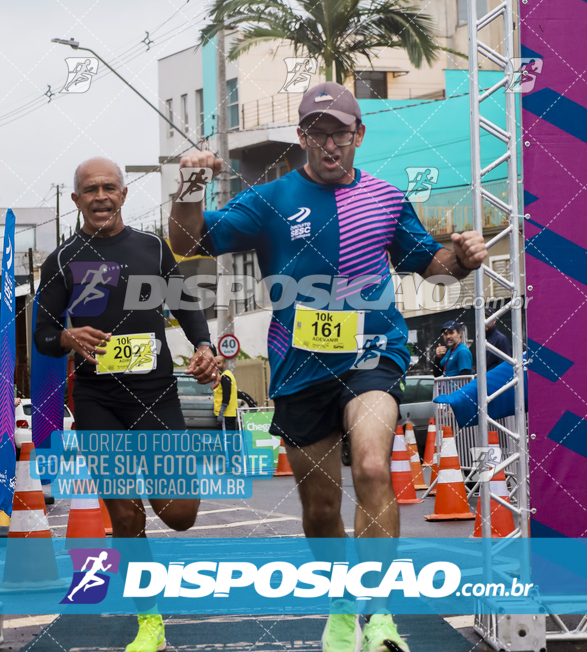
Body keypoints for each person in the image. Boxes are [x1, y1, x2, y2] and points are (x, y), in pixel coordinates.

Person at [169, 82, 487, 652]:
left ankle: (381, 614)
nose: (329, 144)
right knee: (319, 507)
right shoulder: (269, 199)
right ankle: (342, 606)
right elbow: (189, 240)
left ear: (358, 135)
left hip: (372, 356)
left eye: (340, 132)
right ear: (302, 137)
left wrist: (460, 260)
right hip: (298, 366)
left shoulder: (388, 199)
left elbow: (431, 267)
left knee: (370, 464)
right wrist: (190, 182)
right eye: (317, 133)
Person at [34, 157, 219, 652]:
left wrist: (202, 346)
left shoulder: (152, 248)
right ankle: (150, 623)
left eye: (108, 188)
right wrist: (68, 337)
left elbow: (185, 303)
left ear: (122, 194)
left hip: (155, 394)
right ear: (76, 200)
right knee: (127, 517)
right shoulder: (62, 259)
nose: (99, 196)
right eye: (89, 189)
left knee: (179, 514)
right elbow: (43, 335)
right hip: (98, 399)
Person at [214, 354, 238, 430]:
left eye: (218, 363)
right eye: (215, 363)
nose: (216, 366)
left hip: (226, 414)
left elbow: (226, 396)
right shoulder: (227, 375)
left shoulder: (225, 377)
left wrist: (221, 414)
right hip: (229, 413)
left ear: (224, 364)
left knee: (226, 438)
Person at [485, 305, 512, 371]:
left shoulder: (501, 339)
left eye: (487, 318)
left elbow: (506, 366)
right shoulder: (479, 339)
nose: (484, 321)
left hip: (494, 379)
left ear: (494, 320)